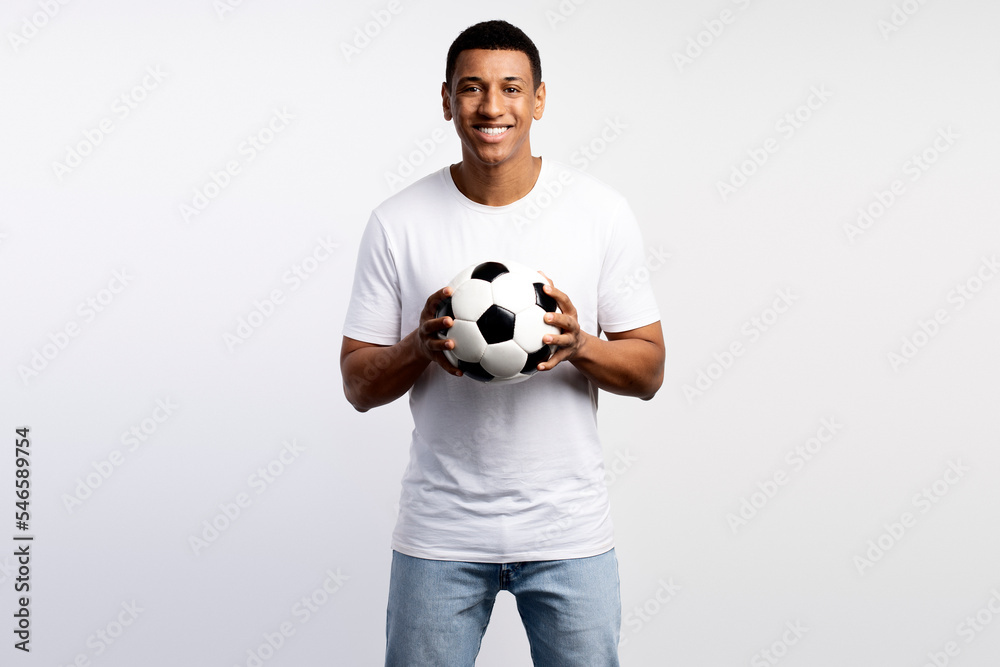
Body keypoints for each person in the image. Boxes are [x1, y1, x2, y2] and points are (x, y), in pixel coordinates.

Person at [341, 19, 664, 666]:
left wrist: (580, 345)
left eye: (511, 88)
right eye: (472, 89)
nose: (492, 107)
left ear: (538, 100)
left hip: (569, 531)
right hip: (441, 534)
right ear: (446, 99)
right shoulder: (397, 222)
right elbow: (357, 384)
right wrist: (419, 348)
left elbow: (649, 369)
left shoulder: (599, 212)